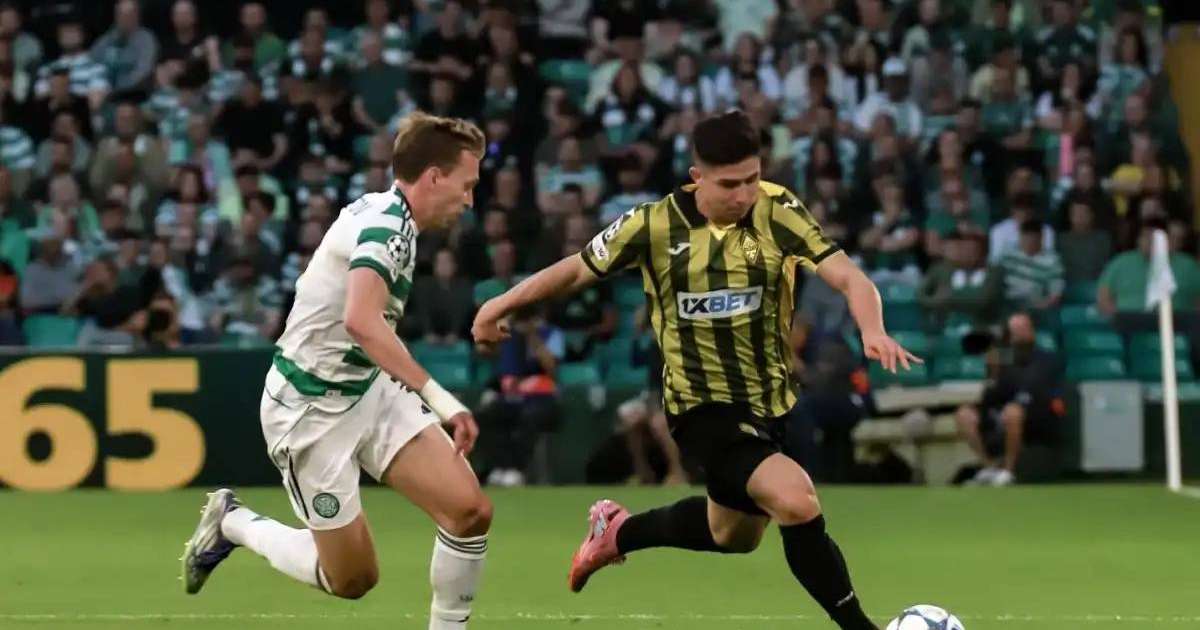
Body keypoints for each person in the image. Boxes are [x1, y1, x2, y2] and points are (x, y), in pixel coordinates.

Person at [472, 110, 919, 630]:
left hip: (770, 401)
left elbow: (850, 278)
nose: (744, 193)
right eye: (730, 184)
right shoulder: (652, 224)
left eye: (753, 178)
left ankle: (616, 533)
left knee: (732, 535)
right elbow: (574, 269)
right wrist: (498, 305)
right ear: (697, 177)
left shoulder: (778, 209)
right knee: (796, 501)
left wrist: (873, 329)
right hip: (700, 407)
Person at [181, 112, 493, 630]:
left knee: (469, 513)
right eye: (467, 185)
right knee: (352, 579)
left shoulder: (395, 218)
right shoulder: (387, 227)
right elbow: (361, 323)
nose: (470, 199)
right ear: (434, 177)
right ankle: (233, 523)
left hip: (367, 389)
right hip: (310, 412)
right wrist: (443, 400)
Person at [954, 312, 1064, 486]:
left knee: (1013, 412)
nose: (1020, 334)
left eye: (1023, 329)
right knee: (964, 414)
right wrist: (994, 373)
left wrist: (1015, 402)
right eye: (1016, 330)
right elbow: (992, 394)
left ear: (1032, 331)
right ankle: (989, 467)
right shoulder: (1003, 358)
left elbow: (1036, 388)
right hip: (1000, 410)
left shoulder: (1047, 358)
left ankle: (1008, 471)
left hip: (1034, 414)